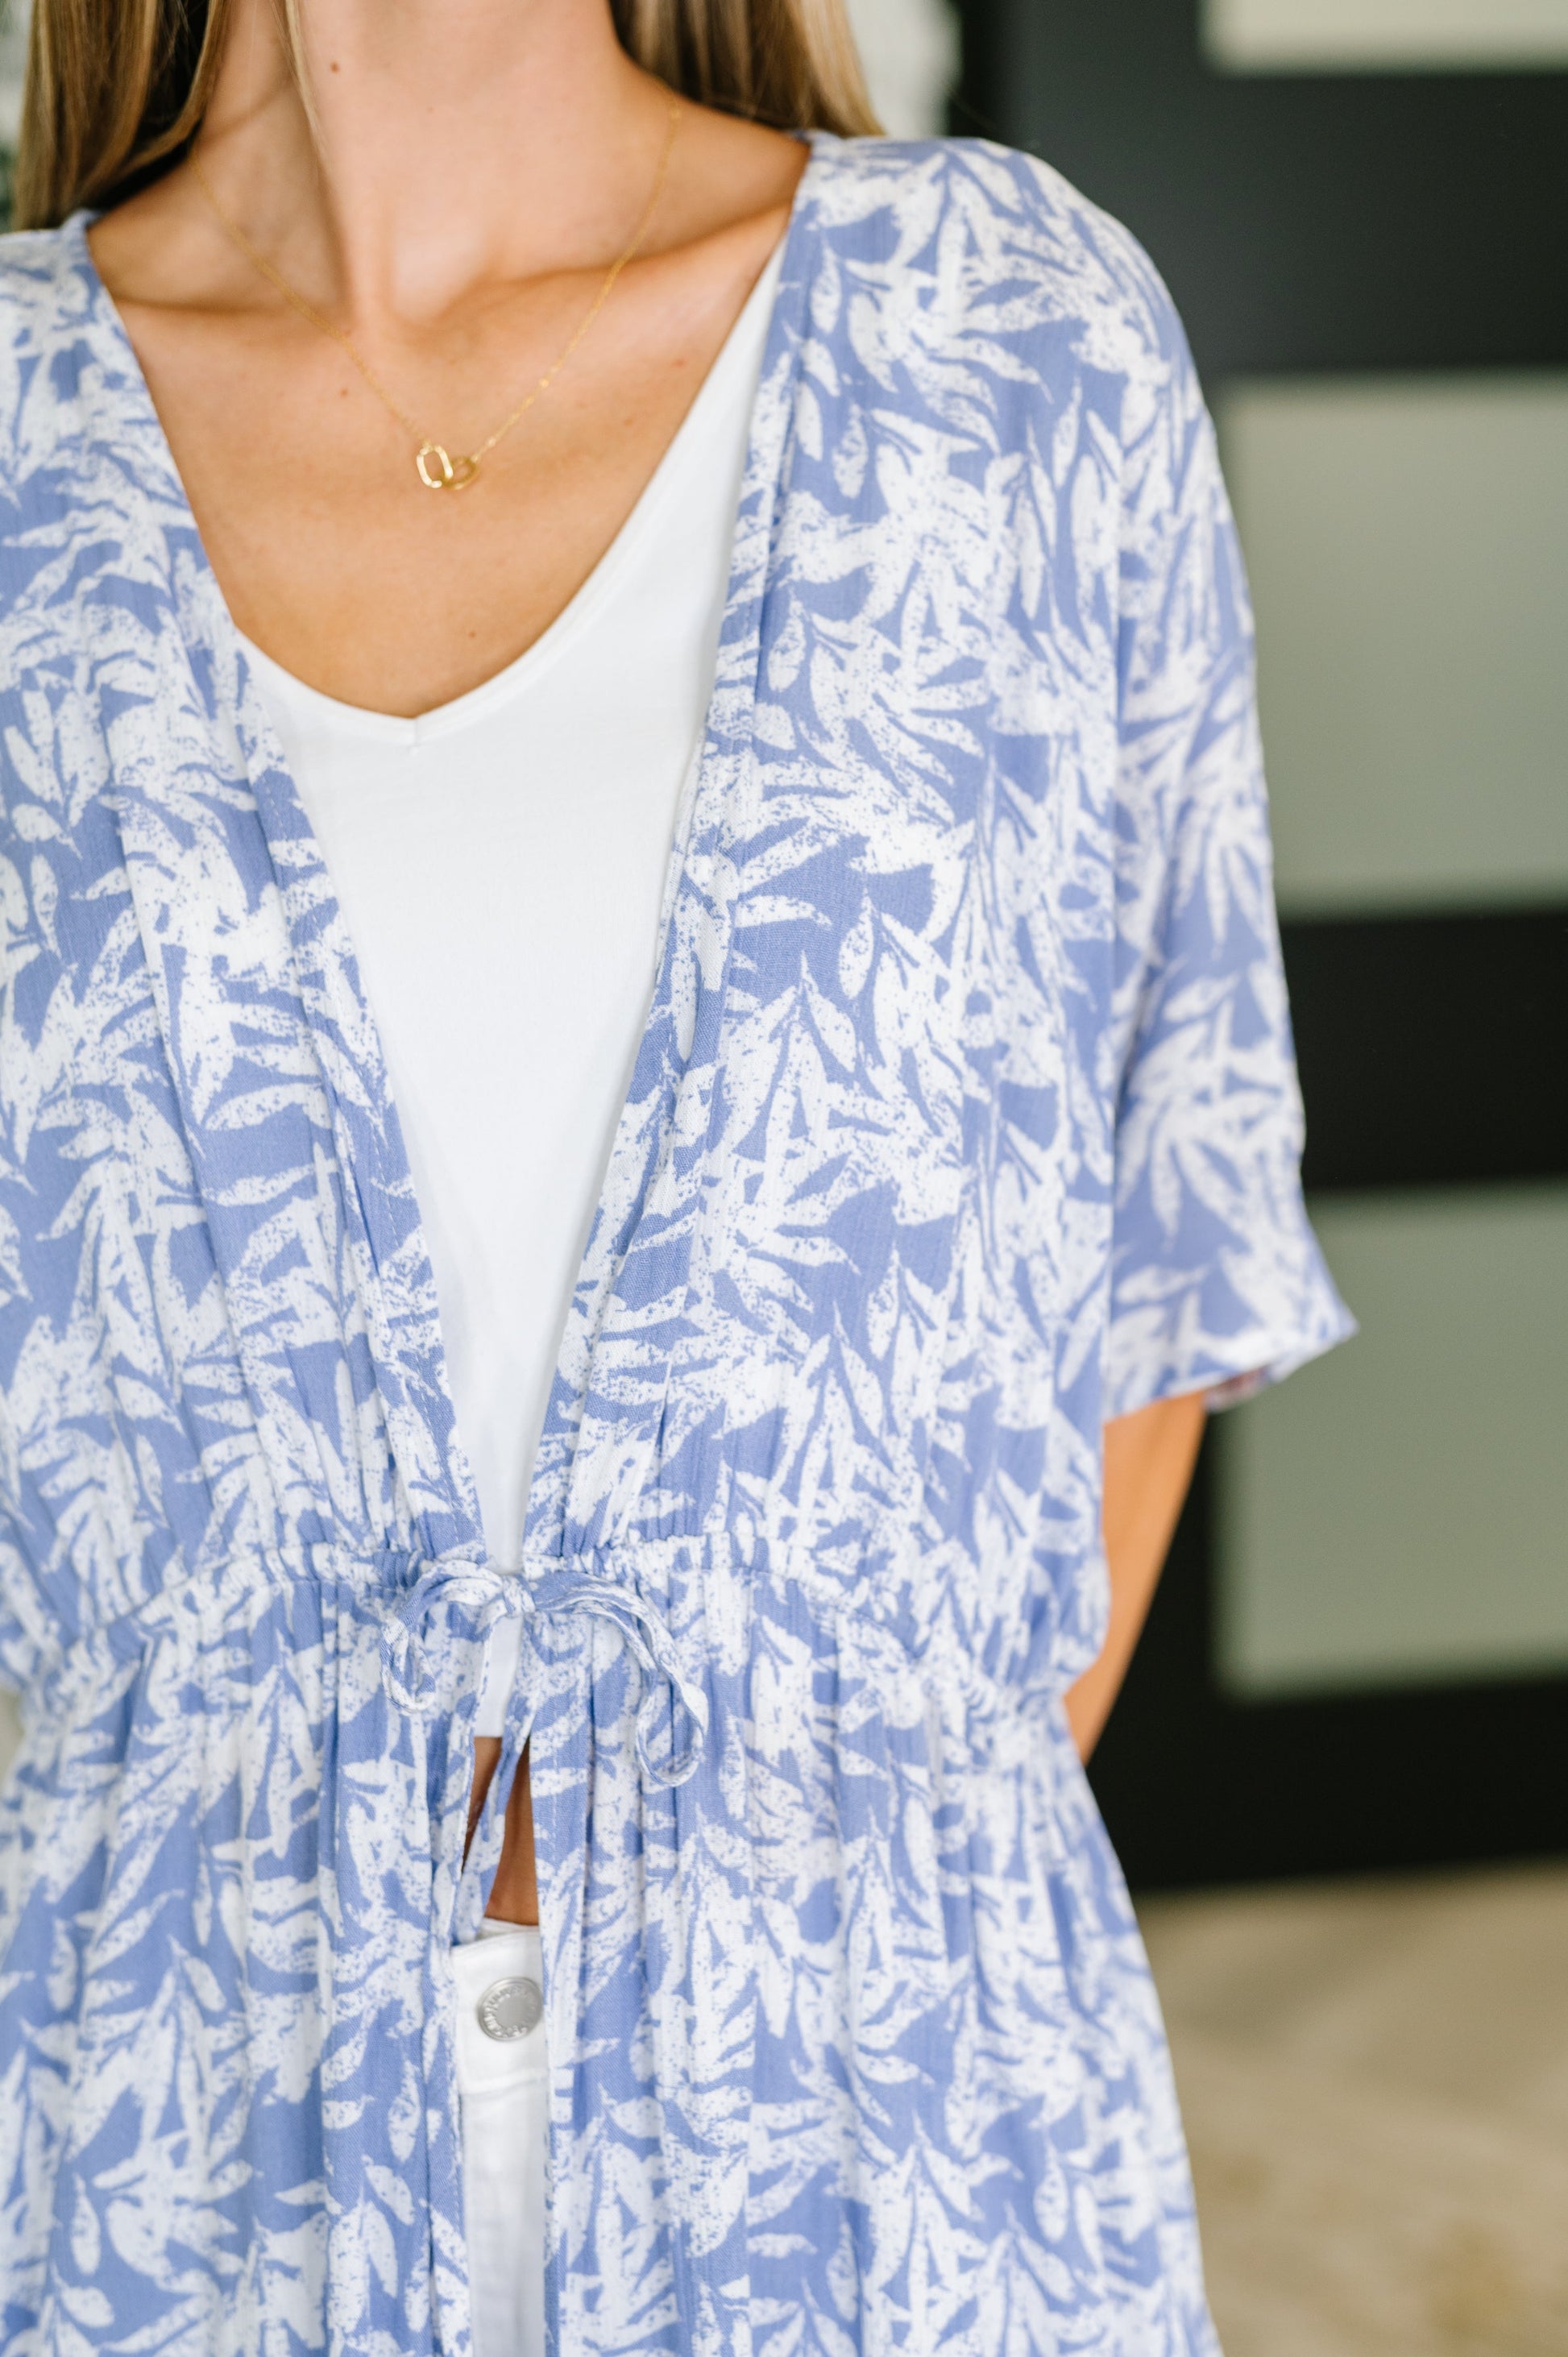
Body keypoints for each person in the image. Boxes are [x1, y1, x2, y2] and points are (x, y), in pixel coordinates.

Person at [0, 0, 1351, 2351]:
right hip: (152, 2153)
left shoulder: (1005, 336)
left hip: (890, 2139)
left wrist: (844, 1916)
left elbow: (1167, 1224)